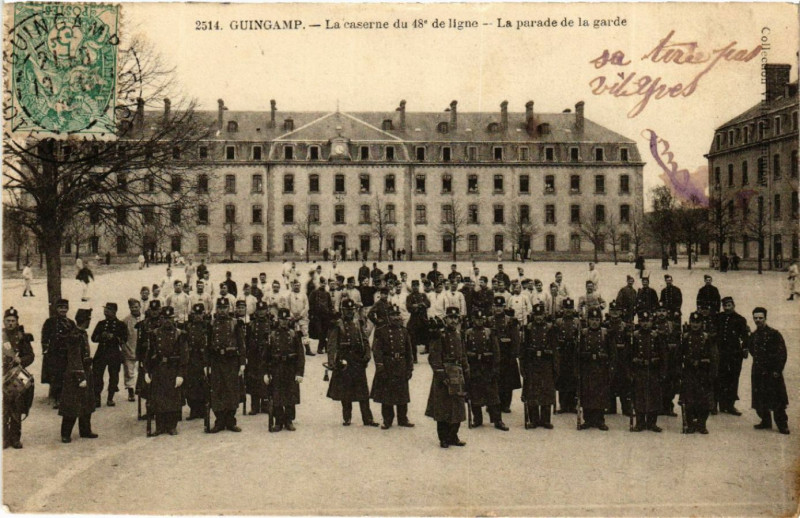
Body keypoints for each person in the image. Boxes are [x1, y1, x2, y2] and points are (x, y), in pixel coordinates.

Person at [326, 299, 378, 427]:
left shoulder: (358, 323)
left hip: (358, 361)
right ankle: (347, 417)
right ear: (342, 311)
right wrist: (331, 362)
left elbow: (365, 341)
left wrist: (367, 355)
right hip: (344, 362)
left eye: (352, 310)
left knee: (363, 392)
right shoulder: (338, 325)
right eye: (347, 310)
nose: (350, 313)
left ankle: (368, 419)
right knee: (346, 391)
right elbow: (332, 345)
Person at [425, 309, 469, 448]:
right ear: (445, 319)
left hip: (458, 373)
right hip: (444, 374)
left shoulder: (459, 335)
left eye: (456, 318)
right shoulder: (439, 335)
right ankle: (443, 438)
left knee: (457, 406)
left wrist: (466, 370)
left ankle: (453, 436)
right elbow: (434, 357)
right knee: (443, 407)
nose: (454, 321)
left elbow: (462, 355)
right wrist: (441, 375)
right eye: (451, 318)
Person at [143, 306, 188, 436]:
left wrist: (180, 374)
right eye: (165, 318)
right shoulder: (154, 333)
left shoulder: (180, 334)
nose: (167, 321)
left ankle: (172, 426)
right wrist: (146, 372)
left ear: (174, 318)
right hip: (159, 369)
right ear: (161, 319)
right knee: (158, 398)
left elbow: (184, 357)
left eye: (170, 318)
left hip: (173, 369)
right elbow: (148, 354)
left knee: (173, 398)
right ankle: (160, 425)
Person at [371, 306, 415, 429]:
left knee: (402, 393)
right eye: (393, 315)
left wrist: (409, 368)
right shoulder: (381, 331)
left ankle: (403, 419)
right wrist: (380, 366)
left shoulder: (404, 331)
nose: (396, 317)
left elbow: (409, 351)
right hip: (388, 364)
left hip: (401, 364)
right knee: (387, 394)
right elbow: (377, 350)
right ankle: (387, 420)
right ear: (388, 317)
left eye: (397, 315)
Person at [748, 307, 789, 434]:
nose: (758, 320)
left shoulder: (774, 334)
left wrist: (777, 369)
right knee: (760, 397)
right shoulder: (753, 335)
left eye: (760, 318)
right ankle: (765, 421)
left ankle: (782, 424)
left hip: (772, 372)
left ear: (765, 318)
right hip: (758, 371)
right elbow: (751, 350)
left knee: (777, 399)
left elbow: (782, 353)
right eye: (755, 318)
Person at [60, 308, 99, 443]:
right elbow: (74, 357)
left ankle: (85, 430)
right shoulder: (75, 336)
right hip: (75, 374)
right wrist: (80, 376)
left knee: (86, 402)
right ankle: (65, 434)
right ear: (85, 320)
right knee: (72, 405)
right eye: (88, 319)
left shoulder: (82, 333)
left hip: (85, 370)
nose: (89, 322)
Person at [464, 309, 507, 431]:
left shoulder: (489, 332)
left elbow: (496, 352)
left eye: (481, 319)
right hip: (475, 368)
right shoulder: (468, 333)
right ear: (473, 320)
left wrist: (495, 368)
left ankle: (497, 420)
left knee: (493, 396)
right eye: (477, 319)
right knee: (475, 395)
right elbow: (464, 351)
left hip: (487, 368)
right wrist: (470, 356)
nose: (479, 322)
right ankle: (477, 419)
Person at [207, 298, 245, 433]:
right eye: (220, 308)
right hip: (217, 361)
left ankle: (230, 421)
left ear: (229, 308)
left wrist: (242, 363)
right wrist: (208, 364)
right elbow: (208, 345)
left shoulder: (235, 323)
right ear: (216, 309)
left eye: (225, 308)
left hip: (231, 361)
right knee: (217, 390)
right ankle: (219, 421)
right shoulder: (211, 324)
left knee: (231, 390)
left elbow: (241, 344)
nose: (222, 310)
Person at [266, 308, 305, 432]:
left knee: (290, 394)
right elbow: (266, 356)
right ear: (278, 320)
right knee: (277, 395)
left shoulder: (294, 334)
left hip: (290, 367)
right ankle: (278, 421)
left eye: (286, 320)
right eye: (281, 319)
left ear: (289, 321)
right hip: (277, 367)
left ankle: (288, 420)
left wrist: (299, 373)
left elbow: (300, 355)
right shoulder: (272, 335)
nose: (283, 322)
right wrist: (267, 373)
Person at [521, 303, 558, 429]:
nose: (538, 318)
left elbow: (554, 348)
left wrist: (555, 366)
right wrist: (523, 366)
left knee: (546, 390)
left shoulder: (550, 328)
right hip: (532, 364)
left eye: (541, 315)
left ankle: (546, 420)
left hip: (546, 364)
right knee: (532, 391)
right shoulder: (528, 328)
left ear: (544, 315)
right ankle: (534, 419)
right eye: (536, 315)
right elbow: (524, 349)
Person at [680, 312, 718, 434]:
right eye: (693, 322)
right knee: (689, 399)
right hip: (689, 373)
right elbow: (679, 356)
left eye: (698, 322)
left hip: (703, 373)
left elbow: (714, 357)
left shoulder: (707, 338)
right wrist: (680, 371)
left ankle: (702, 424)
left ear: (702, 323)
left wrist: (712, 374)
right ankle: (690, 424)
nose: (695, 325)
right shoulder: (685, 337)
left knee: (703, 400)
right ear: (690, 323)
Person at [2, 308, 35, 449]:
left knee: (17, 407)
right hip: (2, 375)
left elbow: (30, 355)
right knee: (3, 409)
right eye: (8, 321)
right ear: (3, 321)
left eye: (13, 321)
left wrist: (21, 360)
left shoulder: (22, 337)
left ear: (17, 322)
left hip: (17, 375)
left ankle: (15, 438)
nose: (10, 323)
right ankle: (3, 438)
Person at [630, 311, 667, 432]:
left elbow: (663, 355)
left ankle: (652, 423)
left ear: (651, 322)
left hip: (653, 371)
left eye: (647, 321)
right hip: (639, 371)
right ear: (639, 322)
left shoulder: (656, 336)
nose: (645, 324)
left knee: (653, 396)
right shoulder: (634, 336)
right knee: (639, 396)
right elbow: (629, 355)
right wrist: (631, 370)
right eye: (642, 321)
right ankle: (640, 422)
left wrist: (662, 372)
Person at [715, 297, 749, 415]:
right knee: (720, 377)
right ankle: (720, 404)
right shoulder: (719, 317)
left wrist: (745, 348)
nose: (727, 308)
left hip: (734, 353)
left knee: (733, 378)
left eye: (729, 305)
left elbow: (745, 336)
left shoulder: (740, 319)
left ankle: (730, 405)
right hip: (721, 352)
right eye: (725, 305)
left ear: (733, 305)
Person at [91, 302, 128, 408]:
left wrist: (114, 337)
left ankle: (110, 398)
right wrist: (101, 336)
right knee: (97, 375)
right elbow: (93, 338)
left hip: (114, 353)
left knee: (114, 377)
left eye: (109, 309)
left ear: (114, 311)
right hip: (101, 353)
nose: (106, 311)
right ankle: (97, 398)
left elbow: (124, 339)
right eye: (105, 309)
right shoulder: (101, 324)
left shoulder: (121, 325)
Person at [41, 299, 75, 409]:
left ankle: (63, 398)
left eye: (65, 308)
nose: (63, 310)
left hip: (66, 353)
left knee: (66, 376)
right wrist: (45, 350)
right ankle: (56, 399)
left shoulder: (70, 323)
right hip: (54, 353)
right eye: (61, 307)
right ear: (57, 309)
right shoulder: (50, 322)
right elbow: (44, 337)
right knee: (55, 377)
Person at [491, 297, 521, 415]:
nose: (498, 309)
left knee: (507, 381)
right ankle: (494, 404)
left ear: (504, 307)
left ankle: (506, 404)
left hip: (507, 354)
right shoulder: (489, 320)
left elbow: (515, 338)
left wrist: (514, 353)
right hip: (493, 354)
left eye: (500, 306)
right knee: (494, 380)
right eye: (496, 306)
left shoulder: (510, 321)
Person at [606, 302, 632, 416]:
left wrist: (624, 349)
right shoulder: (606, 325)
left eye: (617, 310)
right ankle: (611, 407)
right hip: (610, 357)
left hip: (623, 357)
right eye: (612, 310)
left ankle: (626, 408)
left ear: (621, 312)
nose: (615, 313)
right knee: (610, 381)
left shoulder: (625, 325)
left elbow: (629, 342)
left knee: (624, 382)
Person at [245, 301, 271, 415]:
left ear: (266, 311)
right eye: (259, 310)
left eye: (263, 310)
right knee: (253, 379)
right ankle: (254, 406)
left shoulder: (270, 324)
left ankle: (265, 404)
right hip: (254, 355)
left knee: (265, 378)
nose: (261, 312)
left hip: (266, 355)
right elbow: (246, 340)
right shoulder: (251, 324)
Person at [184, 304, 209, 421]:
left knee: (203, 383)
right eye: (195, 314)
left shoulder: (208, 326)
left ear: (203, 314)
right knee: (191, 384)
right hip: (192, 358)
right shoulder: (188, 327)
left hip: (203, 358)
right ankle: (193, 409)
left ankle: (204, 409)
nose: (198, 317)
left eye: (200, 314)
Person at [555, 299, 580, 413]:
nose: (568, 311)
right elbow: (555, 337)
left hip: (573, 352)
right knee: (562, 377)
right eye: (566, 308)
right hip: (562, 352)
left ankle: (573, 405)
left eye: (570, 308)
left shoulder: (577, 322)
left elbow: (580, 336)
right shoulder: (559, 322)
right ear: (563, 309)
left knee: (573, 377)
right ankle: (563, 405)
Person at [122, 299, 143, 402]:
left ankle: (140, 388)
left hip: (142, 349)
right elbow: (122, 338)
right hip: (130, 348)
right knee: (129, 371)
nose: (134, 309)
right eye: (132, 307)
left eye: (136, 307)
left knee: (142, 370)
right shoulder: (126, 320)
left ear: (140, 307)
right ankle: (130, 391)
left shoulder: (144, 318)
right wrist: (125, 349)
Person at [287, 279, 313, 356]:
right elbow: (288, 306)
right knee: (294, 334)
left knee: (305, 333)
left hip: (302, 317)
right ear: (293, 286)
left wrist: (301, 315)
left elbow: (306, 306)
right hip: (293, 318)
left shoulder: (304, 295)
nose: (297, 287)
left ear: (300, 286)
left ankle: (308, 349)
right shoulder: (289, 295)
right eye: (295, 285)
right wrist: (292, 316)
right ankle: (295, 350)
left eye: (298, 285)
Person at [309, 281, 335, 355]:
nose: (323, 285)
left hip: (325, 316)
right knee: (319, 331)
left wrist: (330, 314)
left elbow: (330, 305)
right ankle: (324, 345)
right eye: (322, 283)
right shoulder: (314, 293)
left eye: (324, 283)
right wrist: (311, 314)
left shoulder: (327, 294)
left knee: (325, 332)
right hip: (317, 316)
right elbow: (310, 304)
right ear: (319, 283)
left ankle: (320, 348)